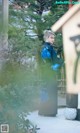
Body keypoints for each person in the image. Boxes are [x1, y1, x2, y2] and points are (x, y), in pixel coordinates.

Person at [38, 30, 64, 116]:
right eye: (52, 38)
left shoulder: (50, 47)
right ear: (47, 37)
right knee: (48, 90)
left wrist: (61, 62)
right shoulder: (45, 48)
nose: (53, 39)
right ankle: (47, 112)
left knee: (50, 90)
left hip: (50, 72)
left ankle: (48, 111)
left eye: (54, 38)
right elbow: (46, 61)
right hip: (48, 73)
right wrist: (54, 66)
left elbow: (54, 59)